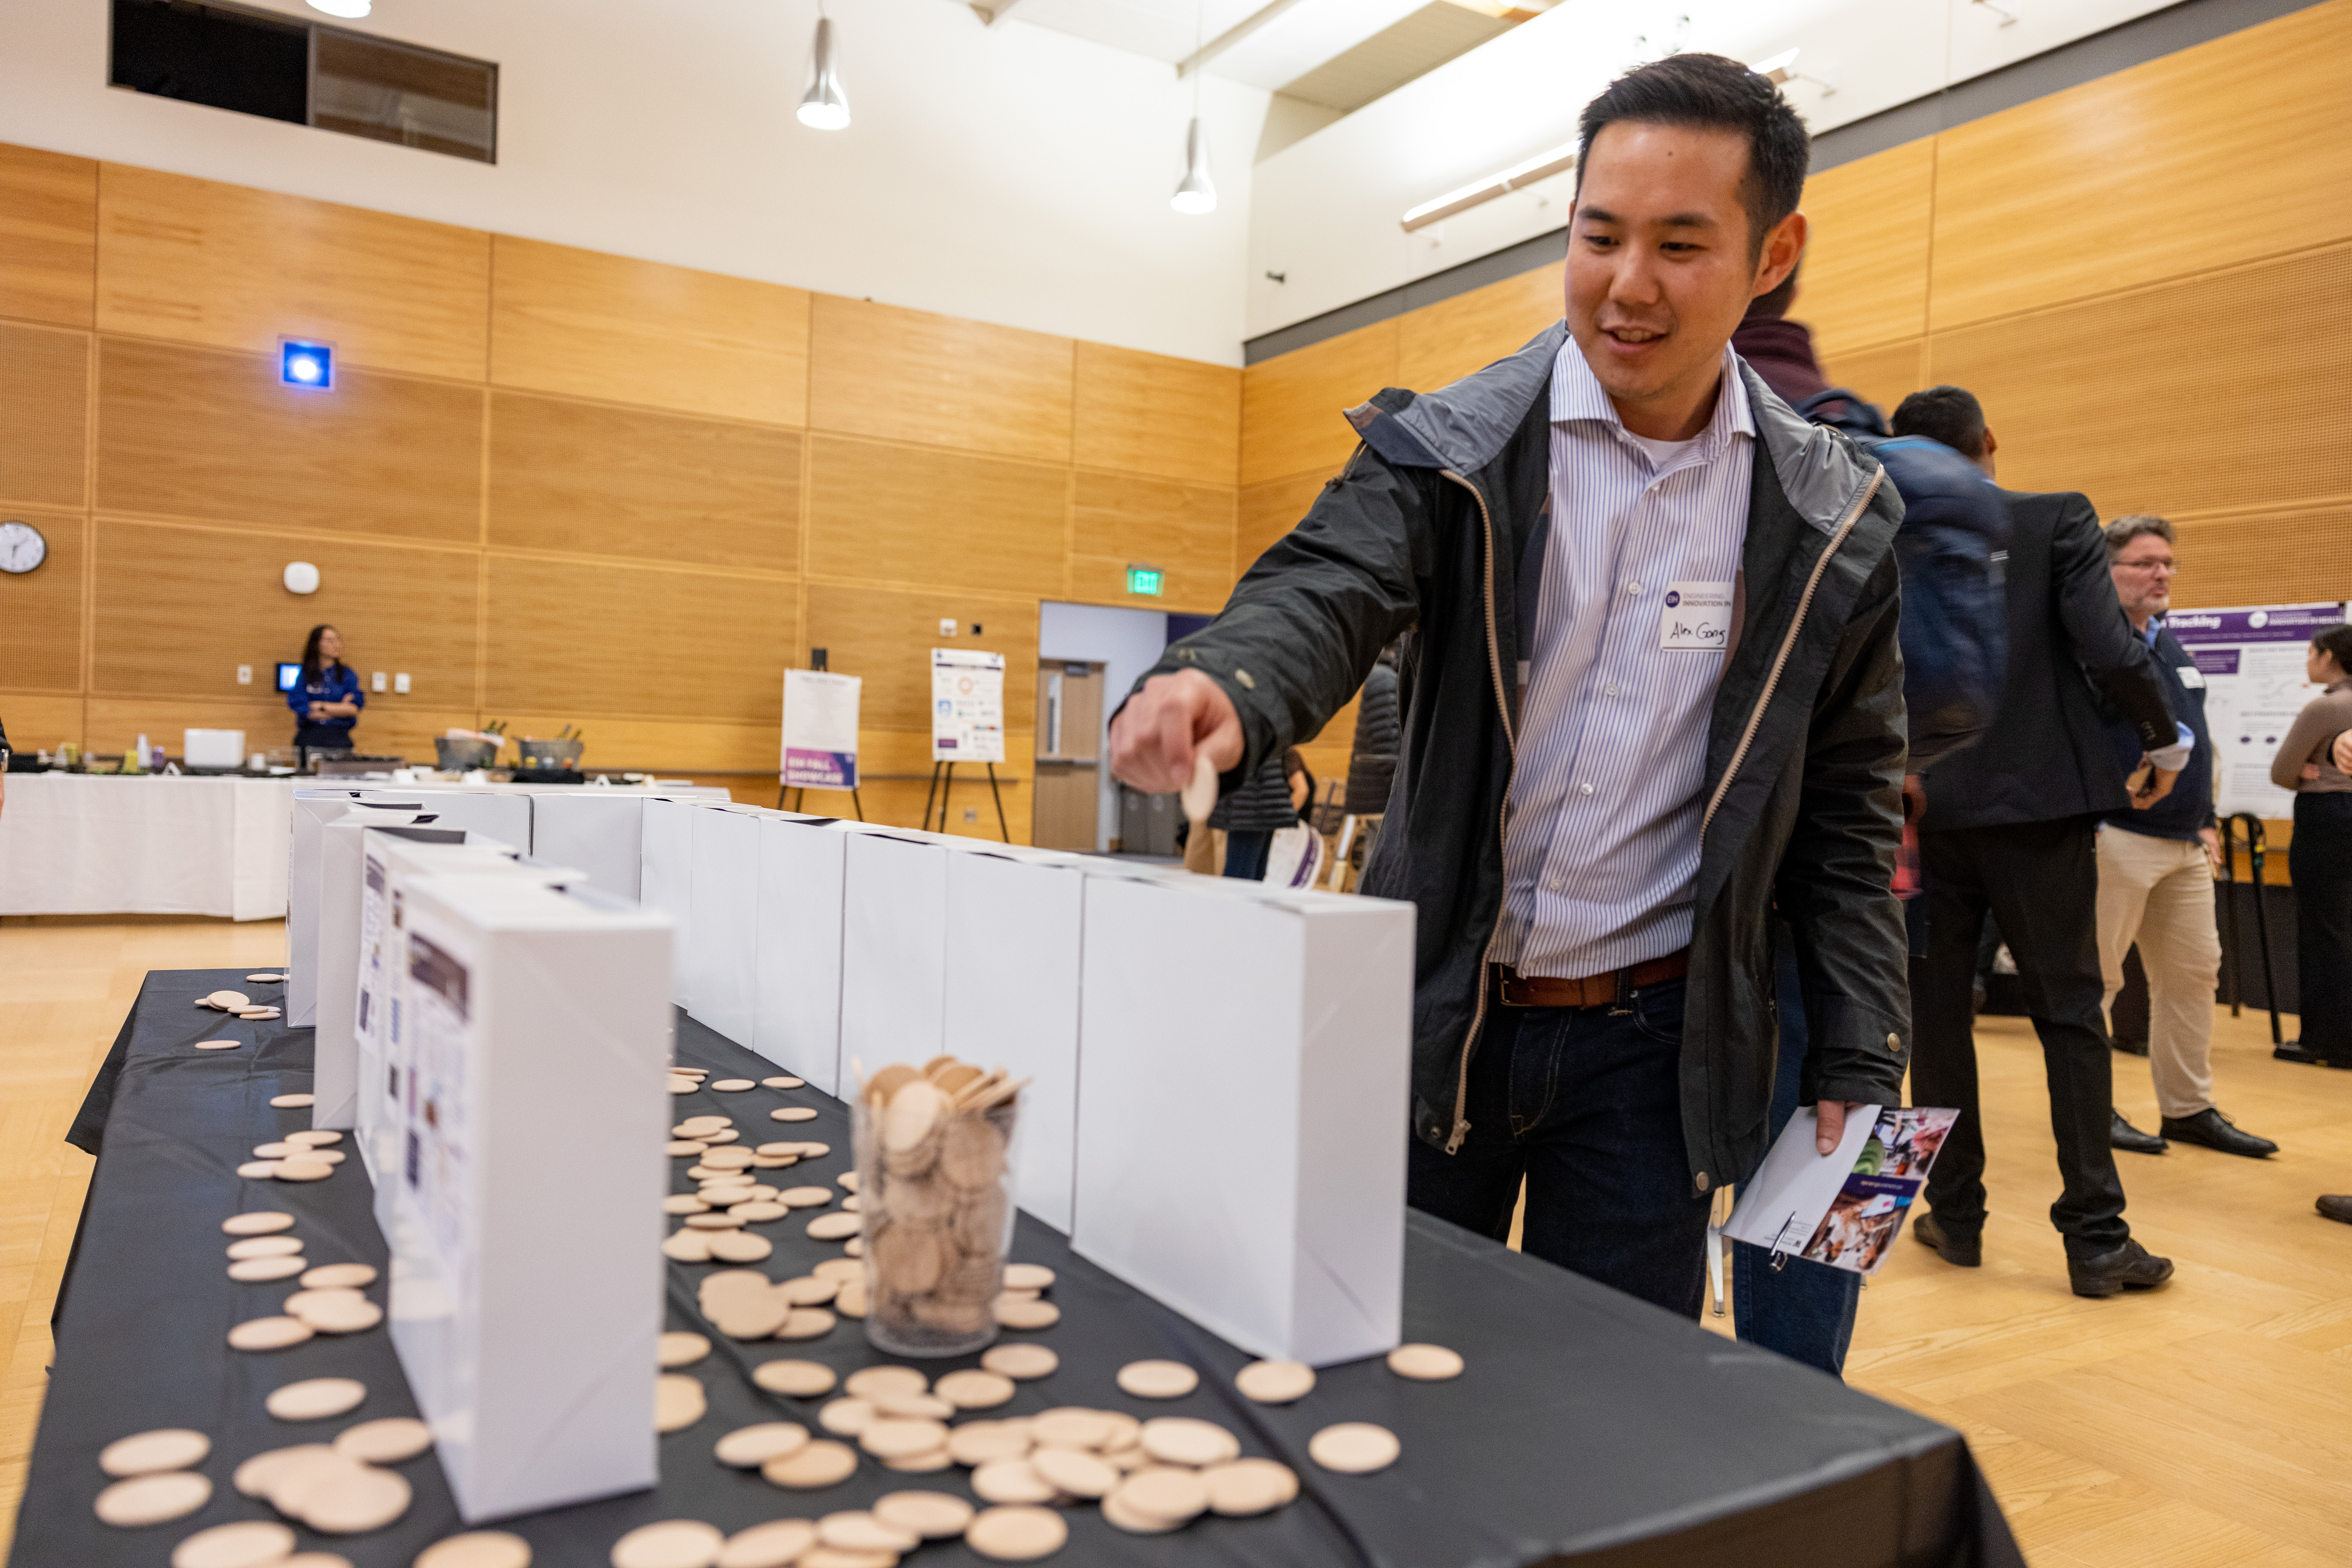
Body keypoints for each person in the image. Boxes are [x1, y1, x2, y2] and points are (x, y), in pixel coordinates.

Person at [1108, 53, 1913, 1319]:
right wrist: (1226, 674)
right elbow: (1326, 582)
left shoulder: (1828, 518)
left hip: (1656, 1051)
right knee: (1372, 1346)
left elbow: (1847, 811)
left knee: (1603, 1402)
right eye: (1597, 235)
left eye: (1678, 244)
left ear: (1771, 255)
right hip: (1435, 1013)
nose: (1625, 286)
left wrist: (1861, 1043)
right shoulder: (1453, 448)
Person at [1725, 289, 2010, 1376]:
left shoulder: (1730, 436)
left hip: (1709, 874)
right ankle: (1809, 1411)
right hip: (1858, 894)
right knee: (1839, 1144)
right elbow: (1942, 705)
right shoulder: (1921, 483)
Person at [1902, 385, 2190, 1298]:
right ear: (1986, 441)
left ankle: (1955, 1214)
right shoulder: (2053, 518)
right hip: (2039, 804)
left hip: (1913, 811)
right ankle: (2096, 1240)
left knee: (1934, 1018)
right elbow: (2109, 648)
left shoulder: (1869, 529)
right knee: (2070, 1010)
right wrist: (2161, 736)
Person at [2094, 517, 2276, 1156]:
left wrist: (2205, 818)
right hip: (2116, 835)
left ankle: (2188, 1108)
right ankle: (2092, 1109)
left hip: (2184, 842)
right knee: (2100, 982)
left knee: (2196, 974)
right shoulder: (2094, 645)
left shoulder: (2169, 646)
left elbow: (2198, 738)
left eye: (2168, 563)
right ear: (2107, 570)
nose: (2162, 574)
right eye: (2145, 563)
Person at [2269, 624, 2352, 1067]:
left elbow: (2282, 772)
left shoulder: (2327, 708)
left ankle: (2328, 1039)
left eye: (2311, 653)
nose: (2308, 661)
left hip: (2328, 817)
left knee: (2324, 930)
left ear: (2330, 658)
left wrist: (2305, 770)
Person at [287, 624, 365, 764]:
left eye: (338, 640)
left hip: (339, 739)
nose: (336, 645)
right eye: (330, 641)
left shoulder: (348, 675)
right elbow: (307, 711)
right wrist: (339, 709)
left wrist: (320, 706)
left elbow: (352, 710)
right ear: (317, 644)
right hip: (309, 738)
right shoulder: (304, 676)